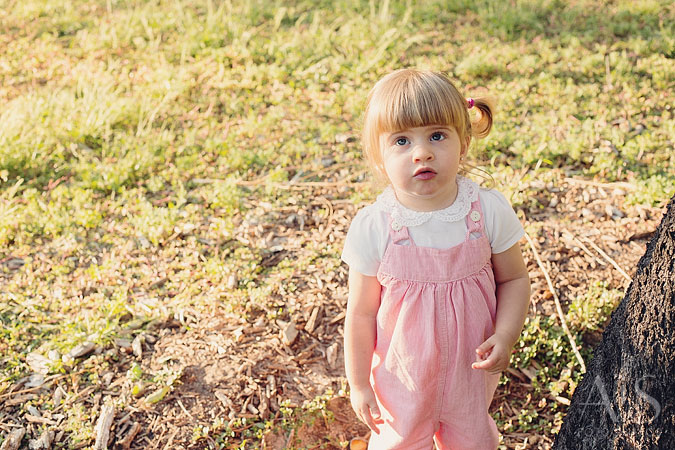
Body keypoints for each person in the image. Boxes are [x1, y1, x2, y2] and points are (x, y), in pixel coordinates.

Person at [342, 69, 531, 449]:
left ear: (463, 142)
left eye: (437, 136)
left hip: (471, 372)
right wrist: (359, 383)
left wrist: (506, 336)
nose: (421, 152)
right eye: (401, 140)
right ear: (379, 155)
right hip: (402, 378)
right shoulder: (375, 226)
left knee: (473, 442)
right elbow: (360, 313)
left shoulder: (486, 210)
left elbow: (514, 280)